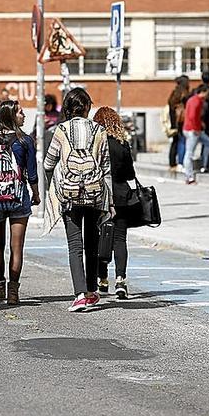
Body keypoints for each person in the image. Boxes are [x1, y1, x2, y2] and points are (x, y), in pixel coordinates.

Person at [44, 87, 112, 312]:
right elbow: (106, 167)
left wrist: (54, 185)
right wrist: (109, 203)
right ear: (87, 107)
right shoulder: (100, 130)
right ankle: (92, 291)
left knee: (75, 245)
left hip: (70, 196)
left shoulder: (61, 130)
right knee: (92, 244)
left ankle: (80, 294)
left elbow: (48, 163)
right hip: (94, 194)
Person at [0, 100, 40, 305]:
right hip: (18, 196)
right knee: (16, 246)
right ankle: (14, 290)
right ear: (11, 116)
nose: (24, 115)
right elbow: (31, 173)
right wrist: (36, 195)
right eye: (20, 113)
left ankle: (0, 284)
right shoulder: (25, 141)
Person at [93, 107, 135, 299]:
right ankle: (121, 280)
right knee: (119, 239)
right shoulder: (121, 143)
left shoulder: (95, 143)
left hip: (101, 196)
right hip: (122, 196)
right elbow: (130, 174)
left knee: (101, 238)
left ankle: (102, 279)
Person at [182, 86, 209, 184]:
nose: (207, 96)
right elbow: (192, 116)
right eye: (207, 93)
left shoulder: (192, 100)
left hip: (191, 128)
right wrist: (196, 128)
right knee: (189, 153)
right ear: (203, 92)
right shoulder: (197, 101)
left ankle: (204, 163)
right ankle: (189, 176)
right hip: (193, 130)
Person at [166, 76, 189, 172]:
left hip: (174, 122)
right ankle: (180, 163)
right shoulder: (184, 94)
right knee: (182, 142)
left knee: (175, 143)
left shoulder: (174, 93)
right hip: (181, 122)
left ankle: (172, 163)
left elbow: (171, 108)